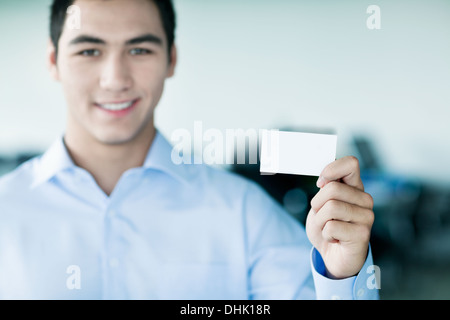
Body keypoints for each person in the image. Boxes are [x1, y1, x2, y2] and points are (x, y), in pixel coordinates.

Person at [0, 0, 379, 299]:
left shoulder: (245, 212)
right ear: (53, 61)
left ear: (171, 59)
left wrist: (340, 279)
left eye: (139, 50)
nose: (115, 79)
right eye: (89, 51)